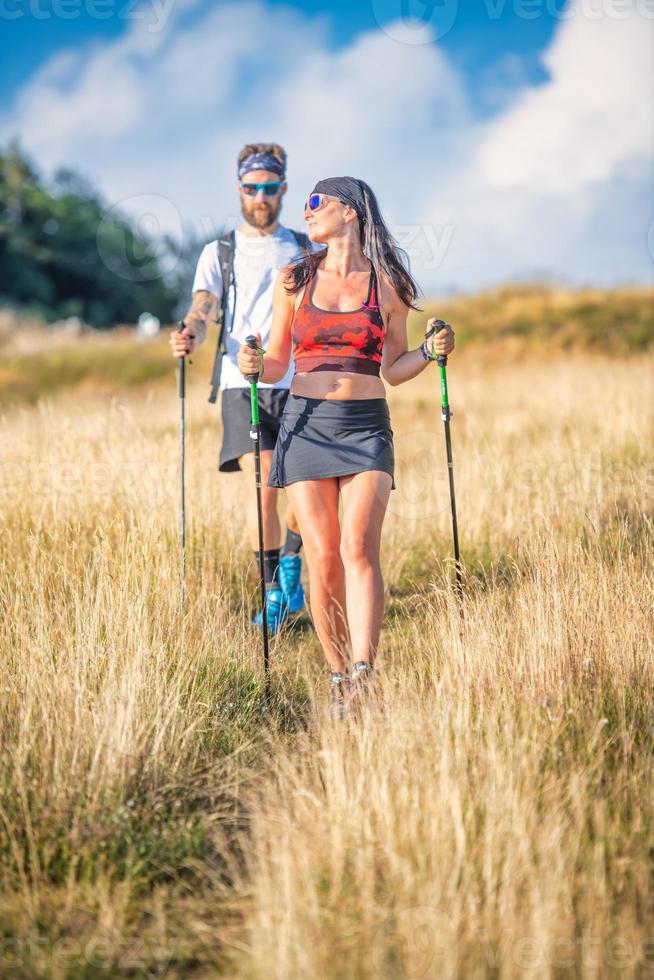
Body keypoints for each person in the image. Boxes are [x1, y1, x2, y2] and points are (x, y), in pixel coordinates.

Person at [236, 176, 455, 718]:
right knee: (323, 556)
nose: (306, 213)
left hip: (365, 427)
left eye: (316, 202)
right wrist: (252, 365)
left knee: (358, 547)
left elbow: (394, 369)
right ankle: (336, 676)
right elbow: (279, 361)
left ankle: (363, 674)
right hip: (306, 425)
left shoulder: (389, 284)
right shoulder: (295, 279)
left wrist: (429, 351)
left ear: (350, 211)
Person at [170, 143, 314, 632]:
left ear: (283, 190)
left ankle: (293, 567)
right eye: (251, 188)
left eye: (269, 188)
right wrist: (191, 333)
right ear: (239, 189)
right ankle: (273, 590)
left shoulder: (302, 246)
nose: (260, 196)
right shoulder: (220, 250)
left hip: (299, 379)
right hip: (240, 382)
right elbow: (204, 304)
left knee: (303, 487)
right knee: (265, 483)